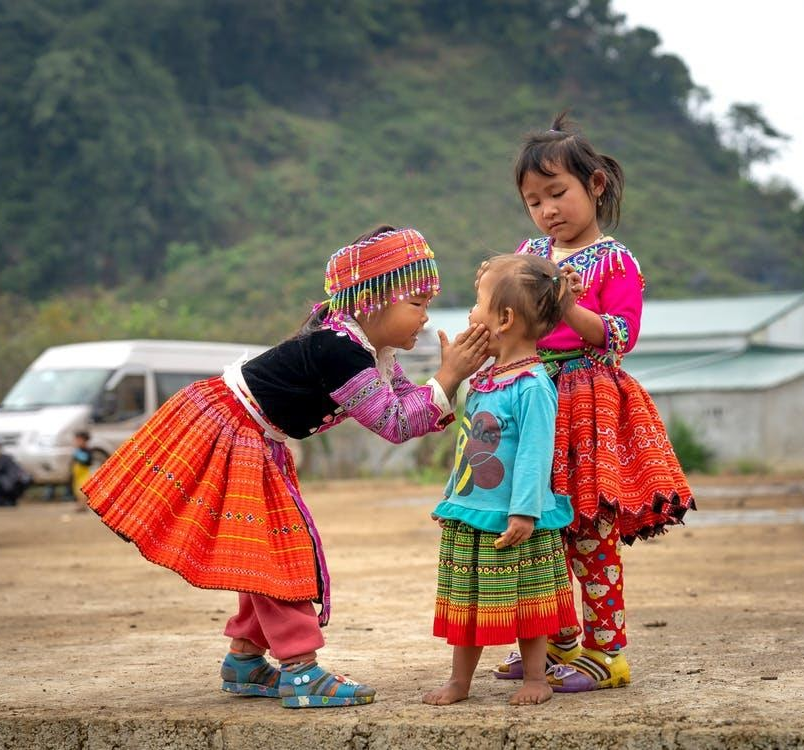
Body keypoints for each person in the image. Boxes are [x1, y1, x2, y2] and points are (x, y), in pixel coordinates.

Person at [82, 226, 489, 709]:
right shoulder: (340, 351)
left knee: (263, 549)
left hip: (245, 433)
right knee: (280, 550)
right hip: (231, 430)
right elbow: (397, 423)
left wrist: (451, 379)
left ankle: (246, 661)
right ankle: (300, 670)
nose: (424, 317)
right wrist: (449, 376)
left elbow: (407, 405)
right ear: (374, 300)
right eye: (417, 304)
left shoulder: (367, 350)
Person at [491, 113, 696, 692]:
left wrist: (561, 300)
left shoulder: (615, 261)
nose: (547, 210)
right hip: (531, 397)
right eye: (534, 201)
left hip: (586, 404)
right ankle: (557, 646)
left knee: (587, 531)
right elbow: (511, 314)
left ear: (595, 186)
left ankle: (608, 655)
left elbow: (616, 337)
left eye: (557, 193)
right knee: (540, 529)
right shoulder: (529, 253)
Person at [424, 254, 577, 707]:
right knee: (469, 604)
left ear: (505, 319)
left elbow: (534, 454)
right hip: (476, 513)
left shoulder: (532, 385)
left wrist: (525, 511)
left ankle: (536, 677)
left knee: (530, 604)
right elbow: (469, 444)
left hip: (516, 518)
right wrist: (452, 498)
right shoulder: (486, 378)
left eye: (477, 303)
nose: (471, 314)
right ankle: (459, 681)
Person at [70, 430, 93, 512]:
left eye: (79, 440)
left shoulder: (87, 450)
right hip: (77, 474)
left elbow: (88, 461)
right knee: (76, 490)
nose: (77, 442)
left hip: (84, 473)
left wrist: (80, 456)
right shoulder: (77, 450)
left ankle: (83, 505)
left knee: (82, 490)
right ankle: (80, 504)